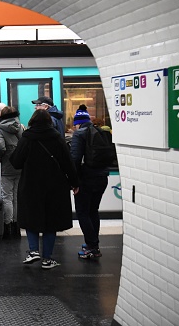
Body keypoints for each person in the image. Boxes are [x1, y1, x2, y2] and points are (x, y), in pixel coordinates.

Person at [10, 109, 79, 269]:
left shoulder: (27, 137)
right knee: (51, 222)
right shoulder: (56, 137)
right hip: (55, 186)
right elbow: (68, 163)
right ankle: (47, 259)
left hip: (31, 185)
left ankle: (33, 251)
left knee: (31, 218)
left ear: (32, 121)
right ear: (49, 121)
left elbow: (16, 162)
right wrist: (75, 183)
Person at [70, 105, 109, 259]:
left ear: (78, 123)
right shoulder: (101, 131)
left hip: (86, 180)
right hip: (102, 178)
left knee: (83, 213)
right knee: (93, 211)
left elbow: (74, 160)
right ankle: (93, 243)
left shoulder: (79, 135)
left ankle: (92, 247)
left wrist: (74, 183)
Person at [0, 106, 23, 239]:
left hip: (6, 166)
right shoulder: (20, 126)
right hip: (19, 166)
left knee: (6, 197)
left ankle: (7, 226)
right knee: (16, 197)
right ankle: (16, 226)